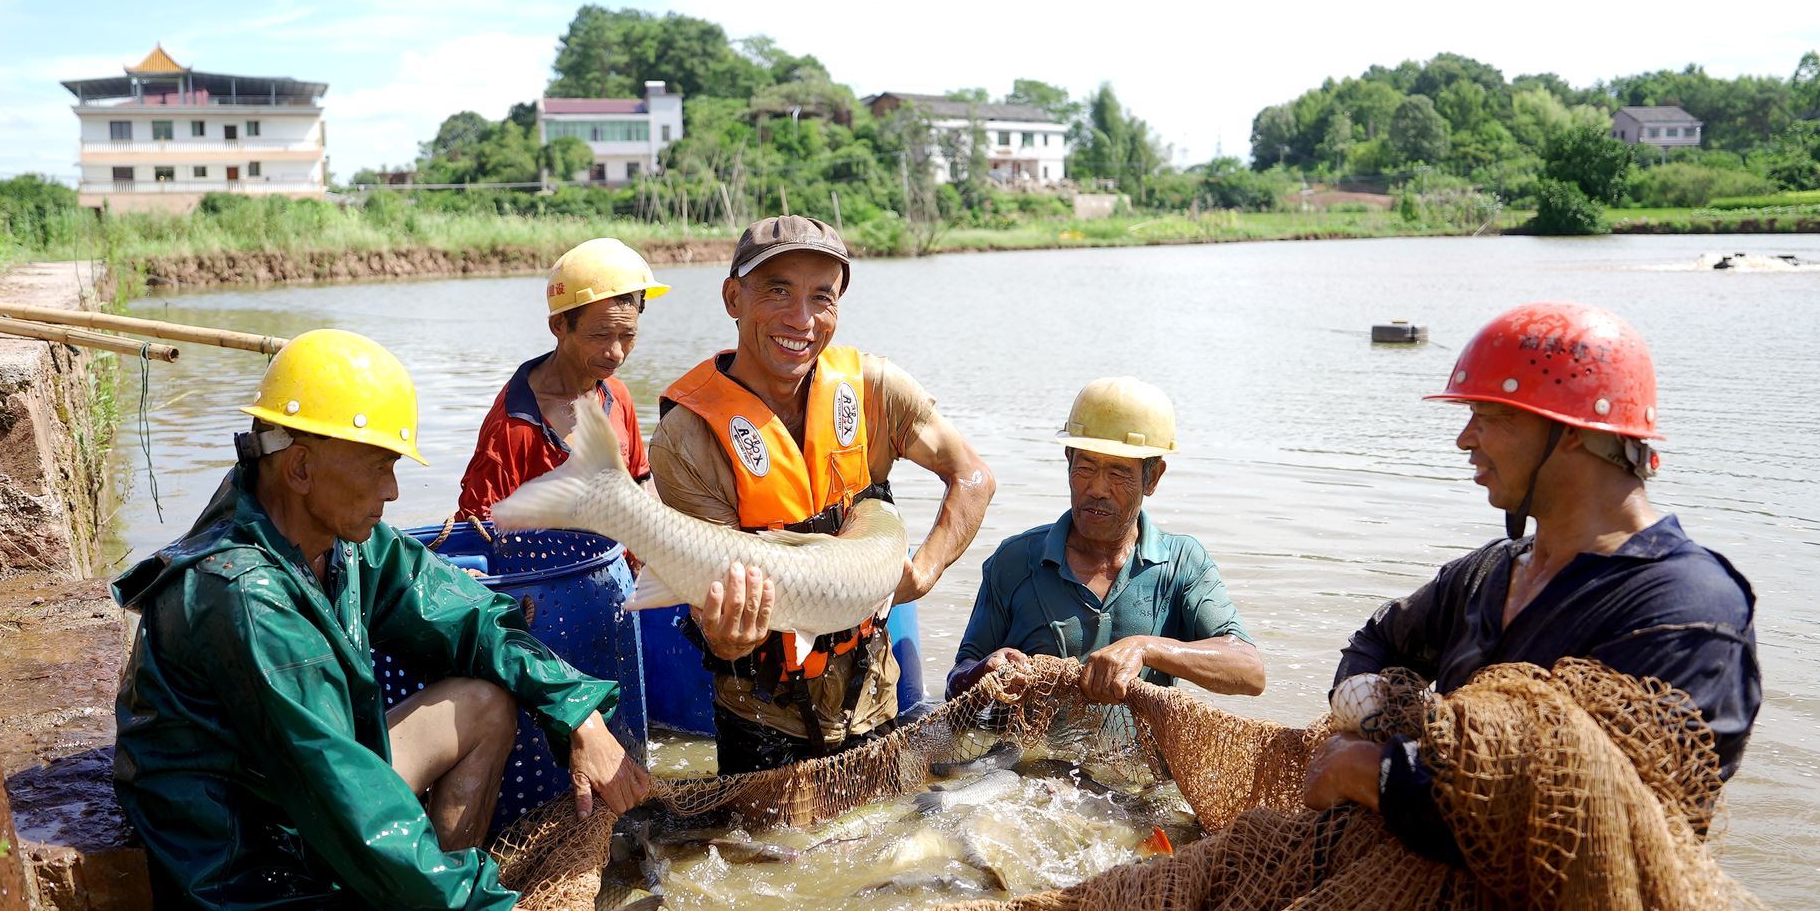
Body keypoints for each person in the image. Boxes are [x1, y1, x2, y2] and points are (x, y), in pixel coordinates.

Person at [111, 329, 652, 911]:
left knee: (482, 703)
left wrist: (578, 717)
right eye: (379, 467)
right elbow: (340, 790)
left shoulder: (341, 544)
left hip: (312, 807)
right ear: (301, 468)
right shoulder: (243, 597)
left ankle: (424, 910)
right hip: (252, 879)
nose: (393, 492)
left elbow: (474, 617)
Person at [1303, 302, 1761, 864]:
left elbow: (1595, 828)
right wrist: (1366, 719)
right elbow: (1376, 642)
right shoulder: (1488, 575)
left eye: (1490, 416)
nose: (1464, 440)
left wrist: (1374, 774)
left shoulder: (1687, 608)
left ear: (1570, 432)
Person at [648, 215, 994, 773]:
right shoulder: (686, 437)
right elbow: (709, 592)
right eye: (777, 291)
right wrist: (726, 638)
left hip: (875, 696)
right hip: (758, 714)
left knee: (887, 854)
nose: (801, 319)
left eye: (821, 298)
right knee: (762, 859)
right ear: (733, 297)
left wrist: (923, 571)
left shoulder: (874, 389)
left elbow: (973, 477)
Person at [949, 376, 1266, 705]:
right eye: (1086, 467)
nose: (1098, 489)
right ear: (1069, 459)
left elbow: (1249, 671)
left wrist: (1146, 648)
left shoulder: (1183, 563)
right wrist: (986, 670)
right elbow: (956, 683)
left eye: (1118, 472)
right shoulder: (1015, 560)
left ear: (1152, 478)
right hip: (1027, 756)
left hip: (1134, 757)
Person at [457, 237, 669, 520]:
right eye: (601, 335)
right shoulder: (513, 427)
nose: (616, 353)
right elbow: (478, 530)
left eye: (628, 335)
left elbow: (640, 480)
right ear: (559, 326)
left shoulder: (617, 396)